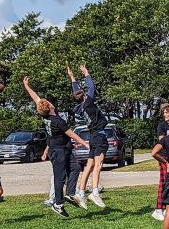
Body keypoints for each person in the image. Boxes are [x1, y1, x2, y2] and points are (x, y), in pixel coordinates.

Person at [23, 76, 88, 218]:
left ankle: (70, 194)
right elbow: (71, 134)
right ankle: (58, 204)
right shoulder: (57, 121)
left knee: (75, 168)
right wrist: (85, 143)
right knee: (59, 178)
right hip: (58, 152)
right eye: (49, 103)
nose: (50, 102)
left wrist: (27, 86)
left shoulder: (46, 116)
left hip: (62, 149)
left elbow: (36, 99)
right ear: (50, 107)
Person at [67, 65, 108, 209]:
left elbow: (76, 92)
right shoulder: (88, 103)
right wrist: (86, 73)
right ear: (84, 97)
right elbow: (91, 87)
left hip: (92, 136)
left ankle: (80, 193)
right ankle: (95, 192)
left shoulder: (79, 107)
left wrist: (72, 78)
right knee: (98, 165)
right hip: (99, 136)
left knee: (89, 166)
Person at [152, 103, 169, 221]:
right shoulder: (162, 126)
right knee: (164, 183)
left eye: (167, 112)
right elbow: (162, 140)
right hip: (164, 157)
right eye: (164, 112)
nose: (165, 114)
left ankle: (168, 208)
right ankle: (158, 209)